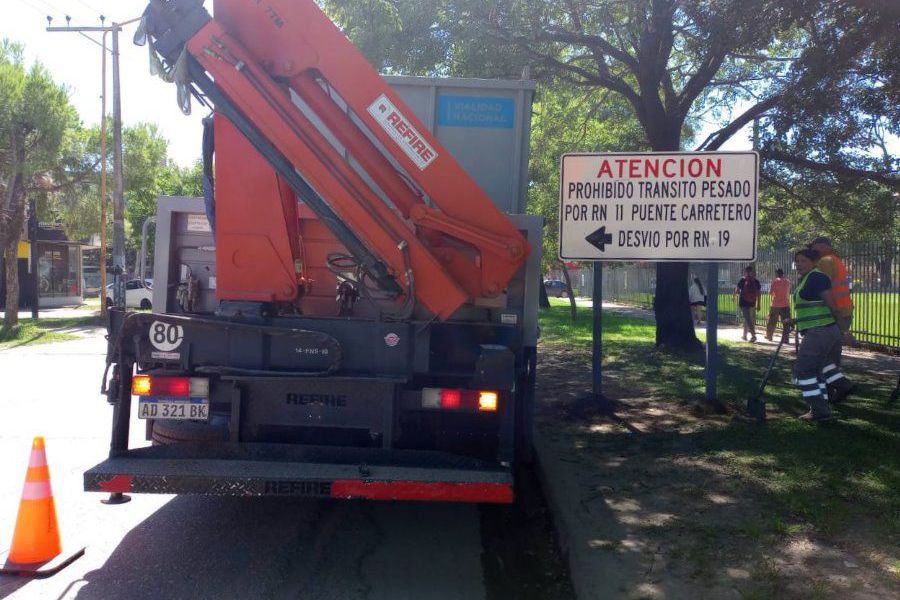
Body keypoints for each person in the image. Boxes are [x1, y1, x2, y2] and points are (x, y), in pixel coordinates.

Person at [785, 248, 853, 420]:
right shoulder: (806, 279)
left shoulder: (817, 277)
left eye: (804, 261)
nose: (799, 264)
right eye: (797, 261)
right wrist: (795, 321)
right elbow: (813, 307)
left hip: (820, 332)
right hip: (819, 330)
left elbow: (832, 306)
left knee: (803, 371)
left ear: (814, 262)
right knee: (817, 371)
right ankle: (823, 407)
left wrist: (845, 331)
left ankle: (819, 410)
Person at [810, 236, 855, 399]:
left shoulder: (825, 261)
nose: (812, 250)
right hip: (844, 310)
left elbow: (823, 288)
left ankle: (837, 387)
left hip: (832, 313)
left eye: (814, 247)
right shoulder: (836, 260)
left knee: (822, 354)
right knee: (832, 355)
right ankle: (834, 389)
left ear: (823, 246)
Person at [735, 266, 761, 342]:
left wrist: (736, 294)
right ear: (752, 272)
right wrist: (759, 304)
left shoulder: (742, 280)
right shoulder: (756, 281)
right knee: (748, 319)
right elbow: (759, 293)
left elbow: (737, 290)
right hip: (752, 303)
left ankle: (753, 336)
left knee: (748, 319)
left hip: (743, 303)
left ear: (745, 272)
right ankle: (744, 335)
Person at [765, 268, 792, 341]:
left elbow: (770, 292)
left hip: (775, 305)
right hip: (785, 304)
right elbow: (788, 292)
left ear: (777, 274)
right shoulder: (788, 281)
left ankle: (769, 336)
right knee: (786, 323)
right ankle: (785, 339)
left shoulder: (775, 281)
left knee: (772, 322)